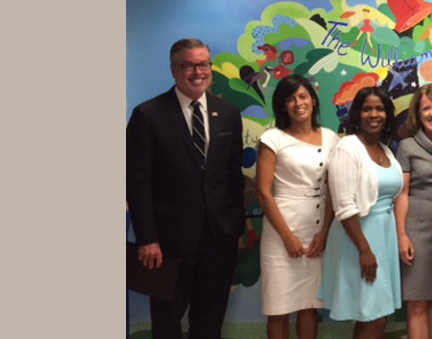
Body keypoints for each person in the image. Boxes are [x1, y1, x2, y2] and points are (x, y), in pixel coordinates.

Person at [126, 38, 246, 339]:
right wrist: (148, 239)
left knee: (209, 322)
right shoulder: (148, 114)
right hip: (166, 245)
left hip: (218, 240)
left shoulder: (228, 112)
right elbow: (138, 183)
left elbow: (233, 176)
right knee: (166, 324)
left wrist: (234, 225)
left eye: (203, 64)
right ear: (173, 70)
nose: (197, 71)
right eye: (188, 65)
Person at [255, 75, 339, 339]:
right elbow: (263, 193)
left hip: (316, 231)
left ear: (313, 100)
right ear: (282, 106)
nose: (298, 103)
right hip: (280, 232)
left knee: (309, 306)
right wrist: (287, 236)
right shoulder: (273, 138)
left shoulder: (330, 138)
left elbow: (333, 190)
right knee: (278, 308)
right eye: (290, 99)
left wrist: (324, 233)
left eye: (303, 96)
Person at [320, 86, 404, 339]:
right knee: (373, 316)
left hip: (382, 237)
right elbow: (343, 205)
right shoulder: (348, 147)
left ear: (388, 114)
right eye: (367, 109)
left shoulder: (385, 149)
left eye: (379, 109)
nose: (374, 114)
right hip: (358, 240)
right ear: (357, 114)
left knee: (377, 314)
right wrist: (365, 249)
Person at [394, 83, 432, 339]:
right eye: (425, 108)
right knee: (418, 302)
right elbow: (402, 194)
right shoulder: (408, 146)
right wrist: (402, 236)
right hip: (416, 232)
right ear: (417, 114)